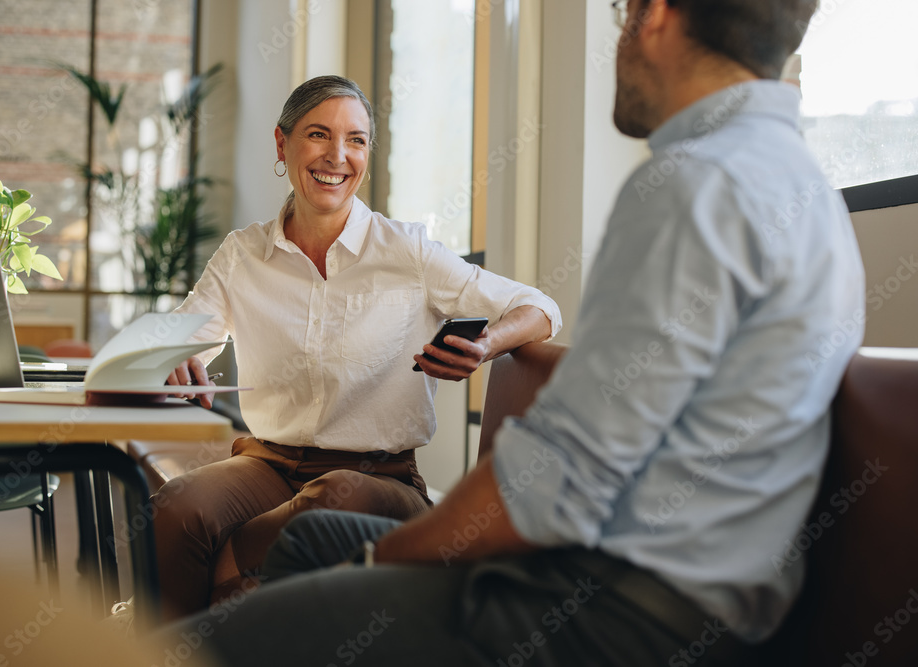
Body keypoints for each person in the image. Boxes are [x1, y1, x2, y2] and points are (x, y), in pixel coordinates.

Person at [153, 0, 866, 664]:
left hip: (611, 602)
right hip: (684, 584)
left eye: (619, 10)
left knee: (207, 647)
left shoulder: (695, 185)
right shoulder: (792, 182)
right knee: (313, 538)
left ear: (654, 16)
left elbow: (549, 482)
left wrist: (380, 566)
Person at [149, 75, 561, 621]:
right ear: (282, 144)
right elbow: (179, 338)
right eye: (318, 134)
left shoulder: (408, 251)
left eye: (357, 140)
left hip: (379, 477)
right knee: (176, 509)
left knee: (332, 498)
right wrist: (178, 354)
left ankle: (220, 609)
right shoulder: (242, 254)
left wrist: (485, 345)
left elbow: (539, 309)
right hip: (268, 463)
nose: (337, 156)